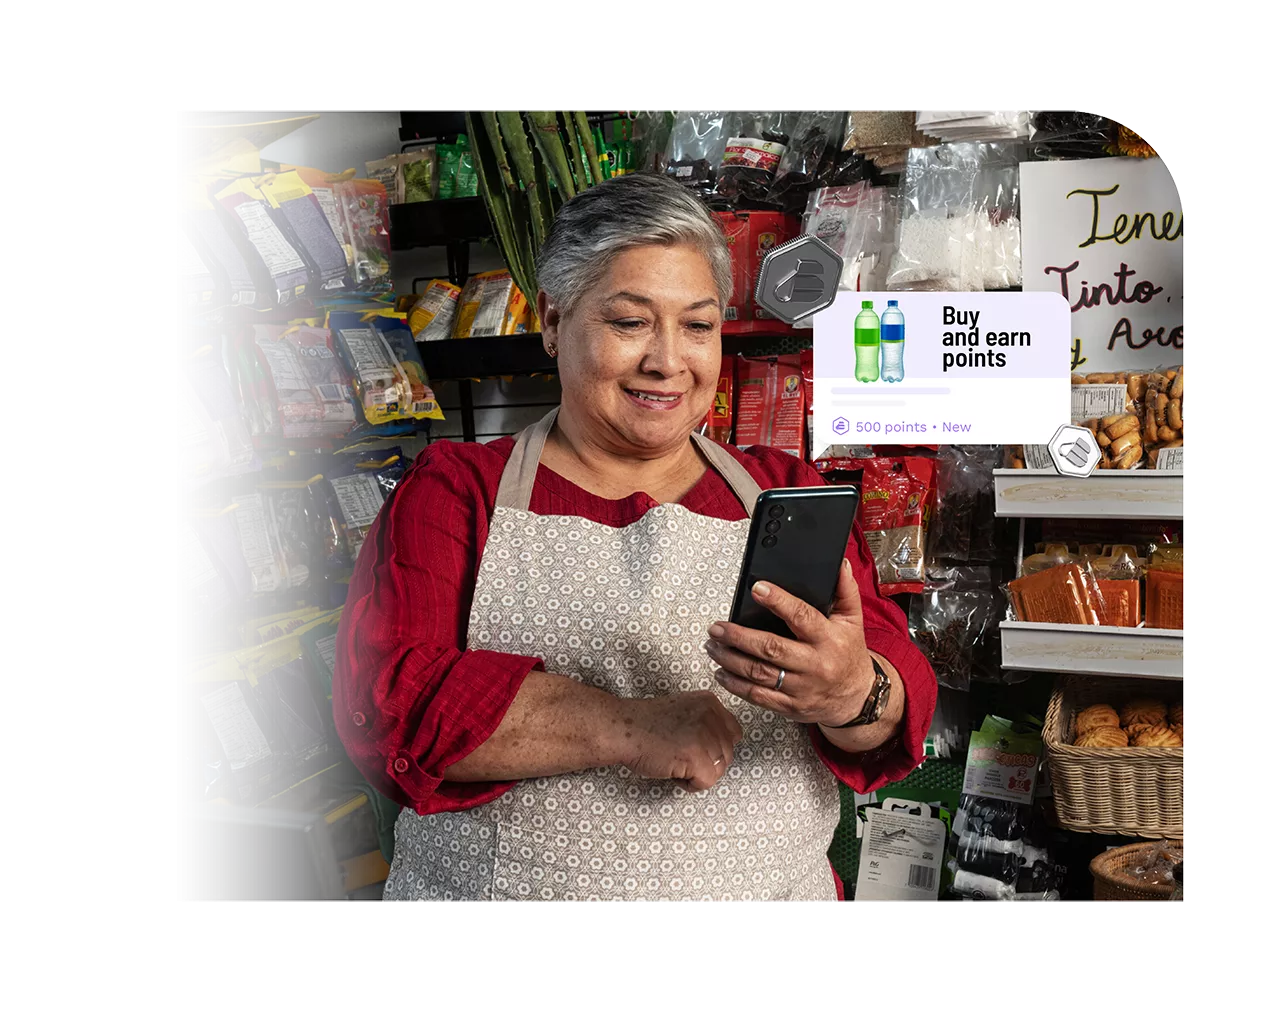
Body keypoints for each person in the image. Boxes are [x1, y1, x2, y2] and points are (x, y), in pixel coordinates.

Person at [333, 174, 936, 902]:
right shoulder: (459, 490)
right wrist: (625, 726)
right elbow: (390, 708)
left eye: (698, 325)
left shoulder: (786, 491)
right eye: (629, 322)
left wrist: (852, 692)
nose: (668, 361)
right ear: (553, 320)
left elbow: (891, 702)